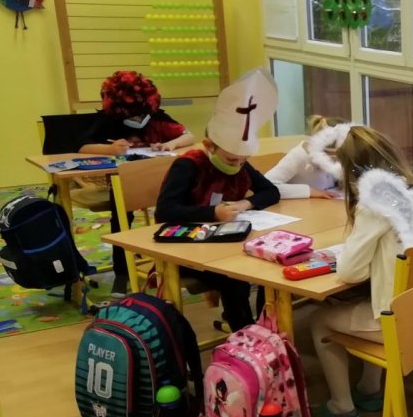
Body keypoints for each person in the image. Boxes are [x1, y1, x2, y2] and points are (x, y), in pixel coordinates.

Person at [307, 127, 413, 417]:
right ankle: (369, 389)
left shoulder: (375, 203)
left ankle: (341, 407)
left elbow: (350, 272)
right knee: (372, 299)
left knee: (318, 320)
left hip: (400, 325)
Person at [154, 69, 281, 332]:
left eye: (243, 161)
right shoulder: (188, 166)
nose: (237, 166)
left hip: (228, 242)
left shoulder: (239, 163)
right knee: (235, 278)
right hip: (188, 249)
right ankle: (244, 333)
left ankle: (264, 328)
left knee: (267, 266)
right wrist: (213, 213)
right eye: (231, 160)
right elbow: (165, 211)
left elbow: (270, 191)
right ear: (209, 146)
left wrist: (245, 204)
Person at [77, 70, 196, 296]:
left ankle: (179, 263)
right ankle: (122, 271)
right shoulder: (108, 120)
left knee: (182, 206)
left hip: (160, 181)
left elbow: (188, 135)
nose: (139, 120)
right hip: (124, 181)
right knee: (121, 218)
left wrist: (171, 144)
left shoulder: (156, 116)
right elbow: (82, 146)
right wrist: (110, 149)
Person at [264, 115, 349, 200]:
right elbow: (266, 186)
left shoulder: (331, 156)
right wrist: (309, 191)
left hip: (328, 202)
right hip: (303, 205)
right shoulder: (298, 156)